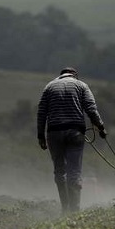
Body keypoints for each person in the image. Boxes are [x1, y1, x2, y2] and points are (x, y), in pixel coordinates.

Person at [37, 67, 107, 213]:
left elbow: (41, 112)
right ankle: (74, 210)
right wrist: (101, 127)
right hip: (75, 132)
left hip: (54, 133)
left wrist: (40, 136)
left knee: (59, 171)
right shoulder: (81, 85)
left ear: (61, 75)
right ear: (75, 75)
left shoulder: (49, 87)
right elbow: (91, 109)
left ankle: (65, 207)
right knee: (74, 172)